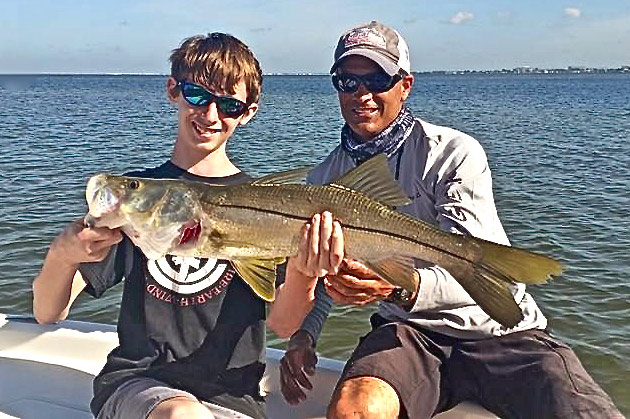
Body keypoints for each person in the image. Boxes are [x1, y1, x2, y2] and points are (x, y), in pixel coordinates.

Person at [279, 21, 622, 418]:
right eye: (347, 81)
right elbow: (324, 274)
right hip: (408, 334)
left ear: (405, 85)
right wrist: (304, 335)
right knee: (356, 409)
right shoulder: (324, 182)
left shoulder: (453, 153)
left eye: (377, 78)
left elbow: (477, 271)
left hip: (501, 332)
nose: (362, 94)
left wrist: (396, 287)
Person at [32, 32, 338, 419]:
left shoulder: (265, 203)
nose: (210, 115)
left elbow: (282, 322)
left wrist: (305, 274)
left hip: (235, 397)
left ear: (249, 112)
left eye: (228, 104)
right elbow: (47, 312)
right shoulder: (136, 201)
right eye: (197, 95)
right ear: (173, 90)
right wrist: (63, 255)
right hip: (140, 385)